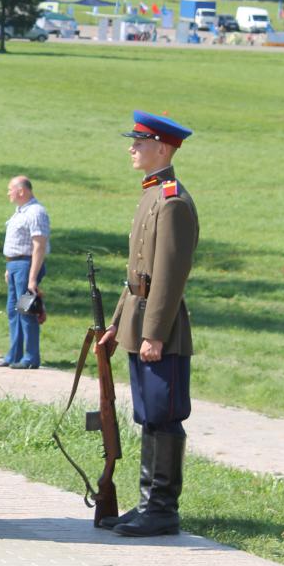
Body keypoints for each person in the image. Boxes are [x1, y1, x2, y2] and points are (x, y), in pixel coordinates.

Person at [96, 111, 198, 538]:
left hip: (162, 328)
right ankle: (146, 504)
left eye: (139, 142)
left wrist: (154, 332)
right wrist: (119, 324)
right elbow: (136, 272)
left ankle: (162, 508)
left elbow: (169, 274)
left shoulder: (172, 200)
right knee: (147, 414)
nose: (131, 148)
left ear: (163, 147)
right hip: (139, 320)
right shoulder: (153, 194)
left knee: (163, 414)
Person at [0, 176, 50, 370]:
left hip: (26, 266)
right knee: (13, 310)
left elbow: (39, 245)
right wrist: (9, 268)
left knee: (26, 310)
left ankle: (30, 357)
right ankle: (14, 355)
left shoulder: (36, 212)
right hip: (16, 266)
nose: (8, 192)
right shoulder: (20, 212)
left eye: (11, 189)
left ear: (21, 191)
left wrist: (32, 278)